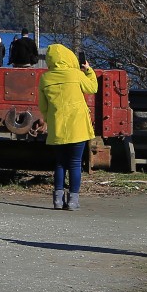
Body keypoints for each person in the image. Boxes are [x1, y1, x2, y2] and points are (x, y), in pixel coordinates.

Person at [38, 43, 99, 210]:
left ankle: (58, 200)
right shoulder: (75, 74)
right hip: (77, 126)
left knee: (59, 163)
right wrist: (88, 69)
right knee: (75, 163)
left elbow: (43, 106)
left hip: (58, 126)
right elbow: (93, 88)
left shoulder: (45, 78)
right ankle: (73, 201)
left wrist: (49, 118)